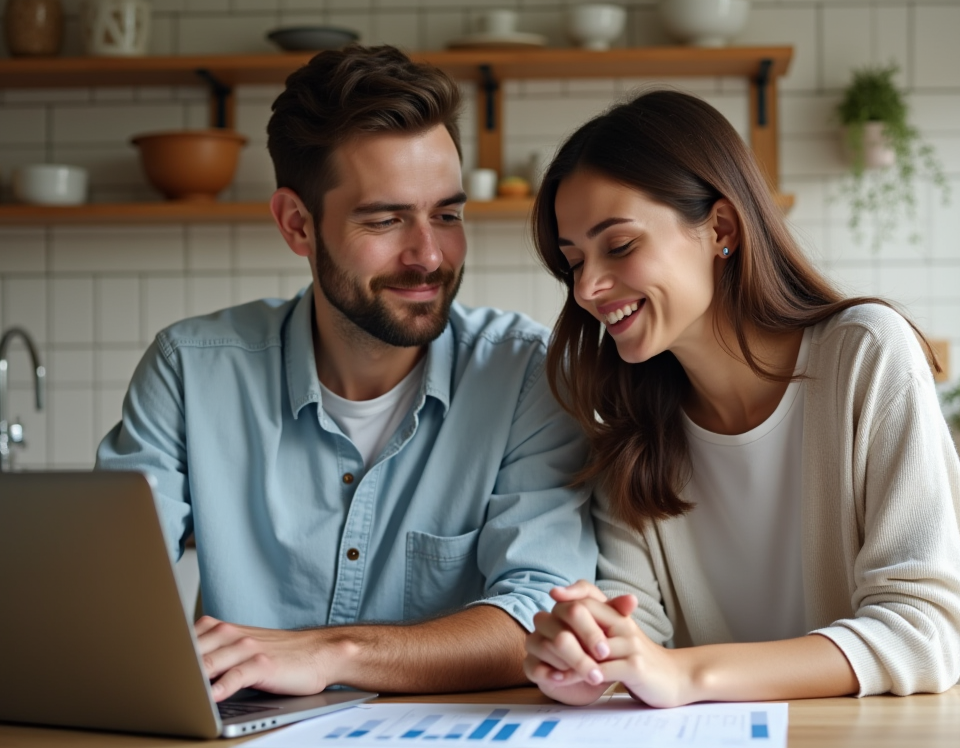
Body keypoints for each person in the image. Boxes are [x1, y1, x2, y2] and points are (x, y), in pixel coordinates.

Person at [96, 45, 596, 702]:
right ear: (297, 224)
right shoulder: (191, 371)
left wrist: (333, 652)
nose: (428, 255)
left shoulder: (527, 375)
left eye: (447, 214)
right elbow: (110, 599)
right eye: (386, 220)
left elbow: (539, 618)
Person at [522, 90, 960, 708]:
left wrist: (683, 675)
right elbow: (637, 647)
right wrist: (587, 662)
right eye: (573, 262)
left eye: (619, 246)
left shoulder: (865, 353)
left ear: (720, 229)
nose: (589, 287)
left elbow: (922, 632)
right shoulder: (629, 427)